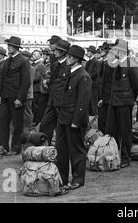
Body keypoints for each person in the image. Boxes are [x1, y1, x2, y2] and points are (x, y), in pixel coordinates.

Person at [57, 45, 92, 190]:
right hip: (64, 118)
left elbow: (82, 102)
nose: (67, 59)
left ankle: (78, 179)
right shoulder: (71, 73)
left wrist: (76, 121)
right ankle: (62, 178)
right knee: (62, 149)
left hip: (74, 120)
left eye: (70, 57)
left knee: (77, 150)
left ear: (76, 59)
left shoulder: (83, 76)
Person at [106, 39, 138, 168]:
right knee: (111, 130)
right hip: (114, 101)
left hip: (125, 102)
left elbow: (137, 85)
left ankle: (126, 157)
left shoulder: (131, 64)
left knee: (125, 131)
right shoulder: (115, 64)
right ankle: (114, 155)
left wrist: (130, 98)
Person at [0, 36, 31, 156]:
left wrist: (20, 98)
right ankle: (3, 146)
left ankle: (16, 148)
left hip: (16, 97)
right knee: (2, 121)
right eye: (8, 46)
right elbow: (2, 79)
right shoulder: (7, 61)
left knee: (17, 124)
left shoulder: (23, 61)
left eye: (10, 46)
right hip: (5, 96)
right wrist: (0, 95)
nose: (8, 48)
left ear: (16, 48)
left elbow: (26, 81)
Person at [40, 39, 71, 145]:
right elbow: (53, 81)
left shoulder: (69, 66)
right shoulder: (55, 64)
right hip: (52, 100)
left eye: (57, 50)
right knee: (44, 124)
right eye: (55, 50)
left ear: (63, 52)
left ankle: (62, 149)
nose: (55, 52)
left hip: (62, 102)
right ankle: (46, 148)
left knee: (61, 127)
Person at [31, 50, 47, 127]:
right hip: (33, 88)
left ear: (39, 56)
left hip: (37, 89)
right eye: (33, 54)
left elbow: (37, 77)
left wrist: (29, 78)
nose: (33, 55)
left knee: (36, 106)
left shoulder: (40, 65)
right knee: (33, 105)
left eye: (35, 54)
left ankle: (36, 120)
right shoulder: (35, 64)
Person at [85, 46, 100, 118]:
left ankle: (95, 117)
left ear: (92, 52)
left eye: (88, 51)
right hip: (89, 84)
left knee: (93, 101)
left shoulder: (96, 61)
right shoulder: (88, 61)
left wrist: (87, 77)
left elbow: (95, 73)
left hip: (93, 84)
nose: (87, 53)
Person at [22, 50, 35, 133]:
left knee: (27, 112)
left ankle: (27, 129)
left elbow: (29, 81)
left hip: (28, 93)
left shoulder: (30, 68)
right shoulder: (27, 66)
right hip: (25, 93)